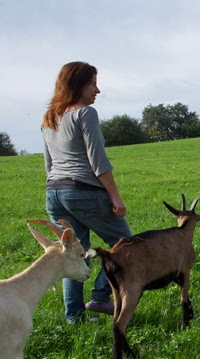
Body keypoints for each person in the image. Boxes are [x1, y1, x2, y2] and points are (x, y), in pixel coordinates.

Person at [41, 61, 131, 323]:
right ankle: (101, 298)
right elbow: (98, 162)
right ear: (78, 85)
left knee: (74, 253)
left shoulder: (49, 118)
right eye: (93, 83)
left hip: (55, 193)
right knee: (124, 245)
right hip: (84, 192)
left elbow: (49, 165)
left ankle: (75, 317)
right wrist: (115, 197)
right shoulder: (85, 114)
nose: (98, 90)